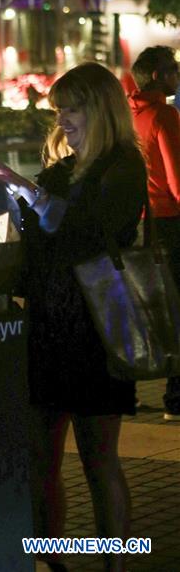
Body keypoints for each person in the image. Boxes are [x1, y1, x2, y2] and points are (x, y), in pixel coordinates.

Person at [0, 62, 147, 572]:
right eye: (59, 111)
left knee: (99, 459)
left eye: (70, 109)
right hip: (50, 325)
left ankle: (114, 561)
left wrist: (22, 188)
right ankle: (49, 558)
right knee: (40, 459)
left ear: (99, 108)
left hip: (97, 326)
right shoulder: (61, 170)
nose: (63, 120)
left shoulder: (122, 167)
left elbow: (86, 235)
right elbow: (33, 245)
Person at [128, 46, 180, 422]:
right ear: (160, 76)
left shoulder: (128, 116)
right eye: (174, 70)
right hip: (171, 221)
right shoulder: (165, 114)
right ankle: (176, 397)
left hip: (139, 221)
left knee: (144, 306)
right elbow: (178, 180)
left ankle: (127, 394)